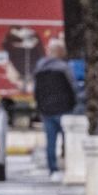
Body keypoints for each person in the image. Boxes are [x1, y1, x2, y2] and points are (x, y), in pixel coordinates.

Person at [34, 38, 77, 181]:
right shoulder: (64, 68)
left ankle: (53, 169)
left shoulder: (40, 68)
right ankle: (69, 166)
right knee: (68, 140)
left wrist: (40, 106)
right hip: (64, 109)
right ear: (61, 52)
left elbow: (36, 90)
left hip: (46, 110)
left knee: (50, 141)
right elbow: (73, 87)